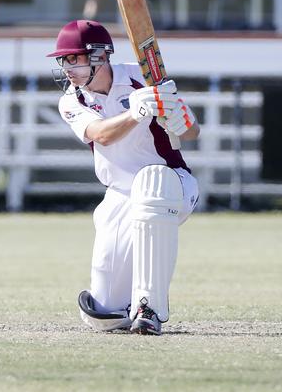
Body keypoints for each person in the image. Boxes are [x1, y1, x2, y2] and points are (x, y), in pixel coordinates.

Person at [47, 20, 200, 335]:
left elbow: (192, 132)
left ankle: (150, 308)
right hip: (119, 195)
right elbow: (101, 135)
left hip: (172, 184)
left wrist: (180, 117)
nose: (67, 69)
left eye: (74, 59)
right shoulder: (71, 102)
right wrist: (137, 113)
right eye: (64, 61)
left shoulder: (141, 77)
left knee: (151, 183)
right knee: (105, 311)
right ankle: (126, 307)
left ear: (101, 56)